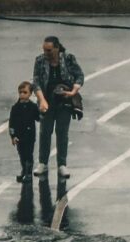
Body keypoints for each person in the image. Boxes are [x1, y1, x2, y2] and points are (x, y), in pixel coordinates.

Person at [32, 35, 84, 180]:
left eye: (49, 50)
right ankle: (43, 163)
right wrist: (42, 100)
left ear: (56, 48)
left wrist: (73, 91)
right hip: (47, 101)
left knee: (62, 133)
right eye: (44, 50)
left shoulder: (68, 59)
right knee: (44, 133)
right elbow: (35, 82)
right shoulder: (40, 60)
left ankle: (62, 164)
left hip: (64, 102)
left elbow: (79, 75)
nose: (46, 53)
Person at [9, 80, 40, 183]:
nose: (22, 94)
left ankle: (28, 173)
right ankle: (24, 170)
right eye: (20, 92)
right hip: (20, 136)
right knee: (22, 154)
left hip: (30, 136)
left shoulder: (33, 107)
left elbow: (38, 118)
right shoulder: (15, 108)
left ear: (30, 94)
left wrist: (42, 112)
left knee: (29, 154)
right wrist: (13, 136)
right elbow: (12, 123)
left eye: (25, 92)